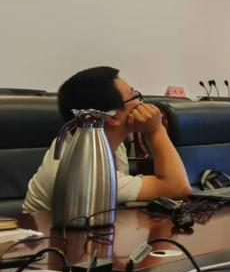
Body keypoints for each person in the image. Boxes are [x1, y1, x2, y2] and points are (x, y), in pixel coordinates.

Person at [22, 66, 190, 213]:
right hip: (48, 238)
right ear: (111, 117)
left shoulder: (92, 137)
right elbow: (178, 188)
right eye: (135, 96)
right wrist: (156, 130)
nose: (141, 103)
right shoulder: (83, 170)